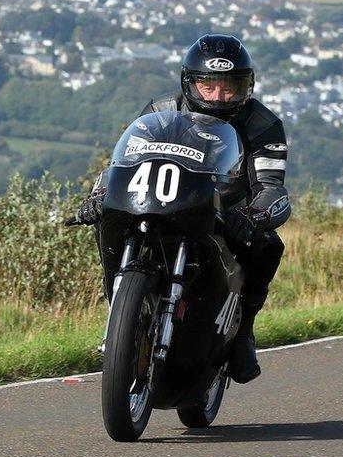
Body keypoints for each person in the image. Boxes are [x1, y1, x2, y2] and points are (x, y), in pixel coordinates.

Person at [76, 34, 290, 384]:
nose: (218, 96)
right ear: (190, 83)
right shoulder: (161, 110)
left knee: (268, 245)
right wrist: (98, 195)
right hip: (158, 202)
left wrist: (253, 217)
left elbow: (271, 187)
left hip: (226, 214)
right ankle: (116, 296)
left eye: (229, 87)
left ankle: (242, 332)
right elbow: (122, 163)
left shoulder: (263, 125)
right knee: (108, 219)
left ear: (246, 87)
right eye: (208, 86)